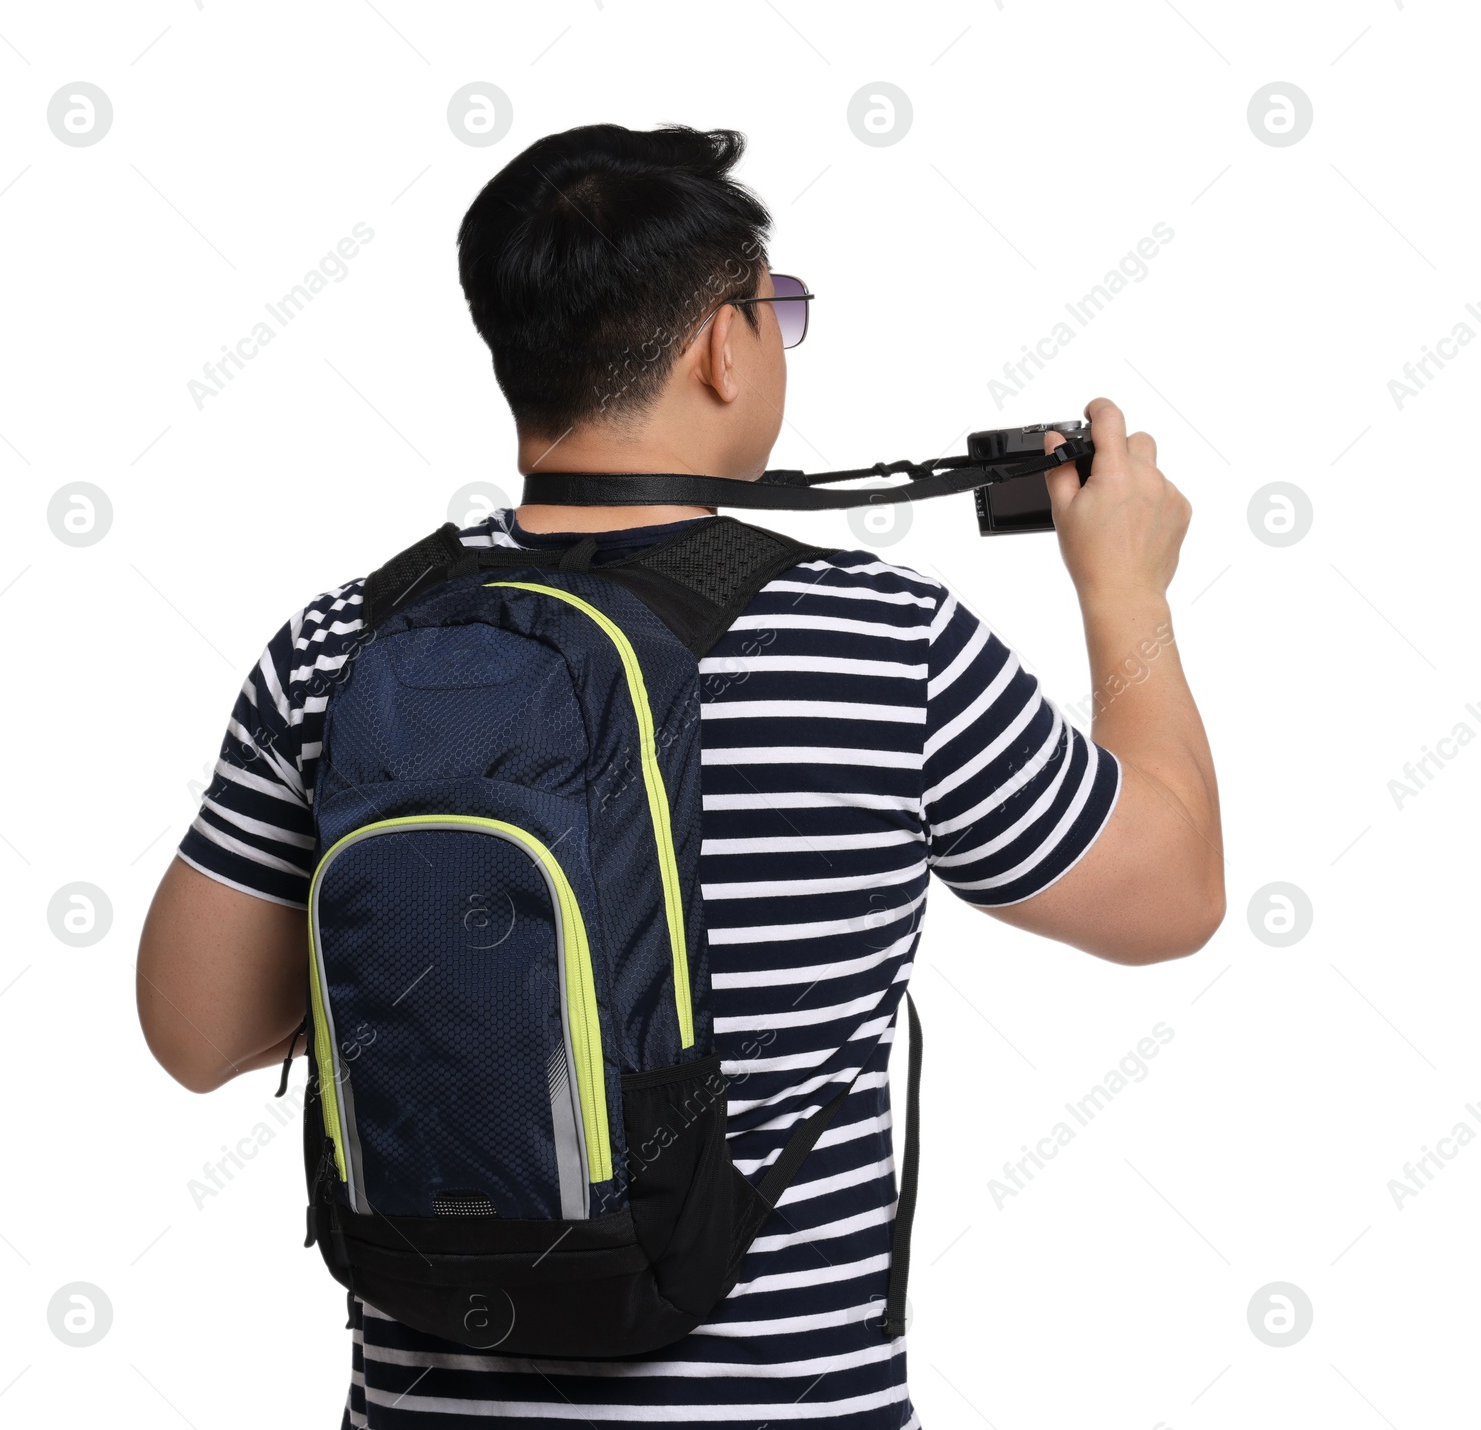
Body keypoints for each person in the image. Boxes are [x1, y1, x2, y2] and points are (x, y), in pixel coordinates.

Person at [137, 124, 1223, 1430]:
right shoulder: (881, 644)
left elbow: (195, 1037)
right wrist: (1124, 593)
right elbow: (1173, 896)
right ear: (724, 344)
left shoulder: (344, 641)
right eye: (781, 313)